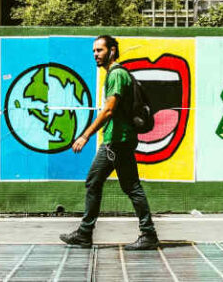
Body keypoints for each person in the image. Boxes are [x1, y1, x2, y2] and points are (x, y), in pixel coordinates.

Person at [59, 35, 159, 250]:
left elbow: (109, 110)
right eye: (94, 51)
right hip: (121, 139)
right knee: (130, 186)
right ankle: (147, 233)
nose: (95, 54)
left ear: (112, 51)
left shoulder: (116, 75)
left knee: (96, 182)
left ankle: (86, 233)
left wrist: (86, 135)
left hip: (115, 140)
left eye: (100, 50)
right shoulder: (119, 74)